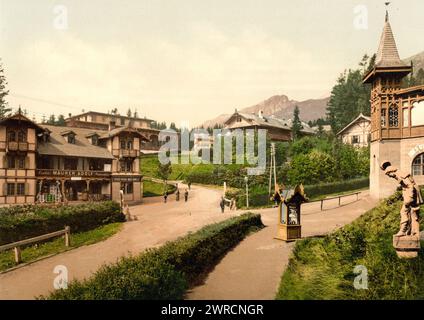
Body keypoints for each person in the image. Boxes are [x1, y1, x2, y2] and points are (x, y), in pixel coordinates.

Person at [381, 160, 423, 236]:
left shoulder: (398, 174)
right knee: (413, 213)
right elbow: (405, 183)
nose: (389, 176)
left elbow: (409, 185)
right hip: (412, 192)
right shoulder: (400, 172)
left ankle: (403, 230)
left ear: (390, 171)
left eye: (388, 174)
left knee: (404, 211)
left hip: (410, 193)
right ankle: (412, 231)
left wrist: (409, 198)